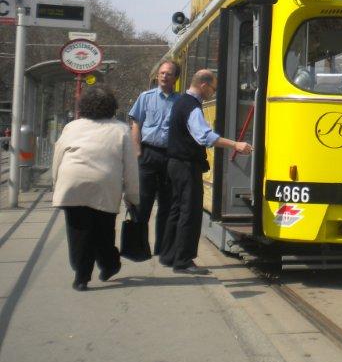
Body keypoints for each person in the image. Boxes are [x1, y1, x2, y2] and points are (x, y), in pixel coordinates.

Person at [159, 70, 252, 274]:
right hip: (185, 165)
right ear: (203, 85)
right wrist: (235, 144)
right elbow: (204, 136)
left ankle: (168, 255)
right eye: (213, 88)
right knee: (189, 211)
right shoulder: (191, 106)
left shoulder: (181, 102)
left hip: (175, 163)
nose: (213, 92)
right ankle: (183, 260)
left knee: (176, 209)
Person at [52, 86, 139, 291]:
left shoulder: (72, 127)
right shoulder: (121, 129)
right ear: (111, 106)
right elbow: (130, 166)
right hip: (106, 185)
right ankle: (109, 264)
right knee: (104, 231)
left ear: (84, 106)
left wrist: (57, 184)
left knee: (78, 232)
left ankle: (81, 277)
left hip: (72, 181)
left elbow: (58, 156)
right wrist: (132, 195)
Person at [128, 60, 181, 255]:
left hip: (170, 156)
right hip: (148, 154)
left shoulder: (180, 101)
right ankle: (139, 247)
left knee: (167, 205)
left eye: (168, 73)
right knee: (143, 203)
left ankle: (163, 249)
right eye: (162, 73)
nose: (164, 76)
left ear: (176, 78)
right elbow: (136, 125)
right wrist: (138, 152)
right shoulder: (146, 97)